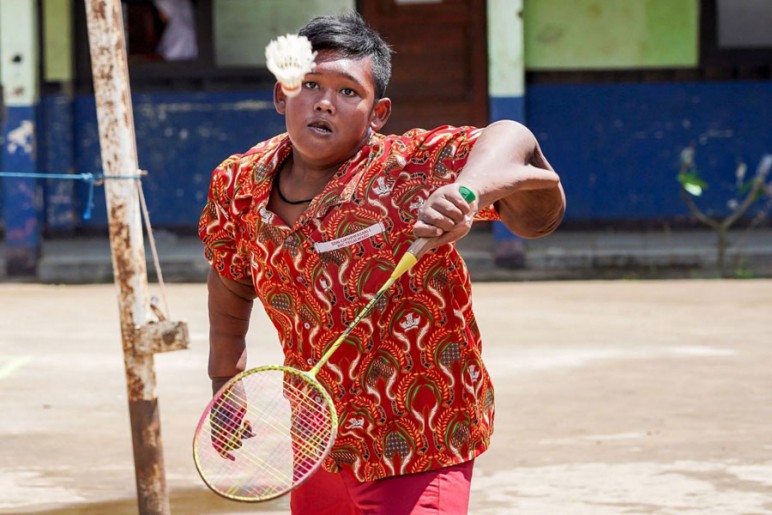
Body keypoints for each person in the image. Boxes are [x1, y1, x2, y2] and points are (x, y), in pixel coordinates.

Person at [199, 11, 565, 515]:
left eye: (349, 92)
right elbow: (231, 278)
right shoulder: (238, 183)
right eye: (309, 84)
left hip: (421, 435)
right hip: (319, 438)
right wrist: (225, 379)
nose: (325, 101)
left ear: (378, 113)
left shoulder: (409, 169)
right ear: (282, 94)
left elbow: (513, 139)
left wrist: (467, 192)